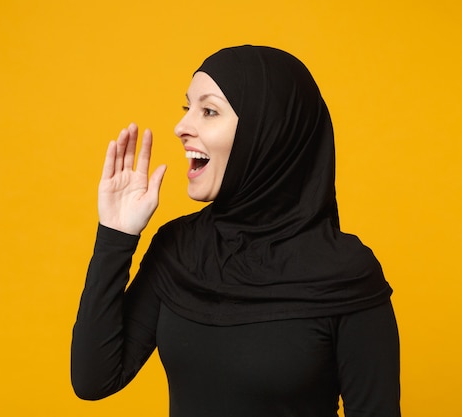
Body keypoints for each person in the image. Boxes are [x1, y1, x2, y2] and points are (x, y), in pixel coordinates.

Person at [71, 45, 401, 417]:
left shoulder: (346, 273)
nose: (181, 127)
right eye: (187, 108)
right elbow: (94, 380)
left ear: (267, 131)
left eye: (208, 111)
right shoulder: (179, 248)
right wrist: (115, 235)